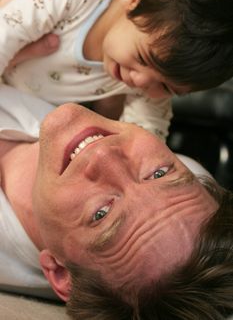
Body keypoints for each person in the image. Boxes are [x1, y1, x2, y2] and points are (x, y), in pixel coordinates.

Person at [1, 82, 232, 320]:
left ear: (60, 272)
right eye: (158, 173)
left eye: (101, 213)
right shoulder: (189, 182)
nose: (104, 153)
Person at [0, 0, 173, 139]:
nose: (142, 82)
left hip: (26, 108)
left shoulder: (148, 74)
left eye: (167, 87)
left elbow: (147, 134)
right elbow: (5, 34)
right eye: (143, 58)